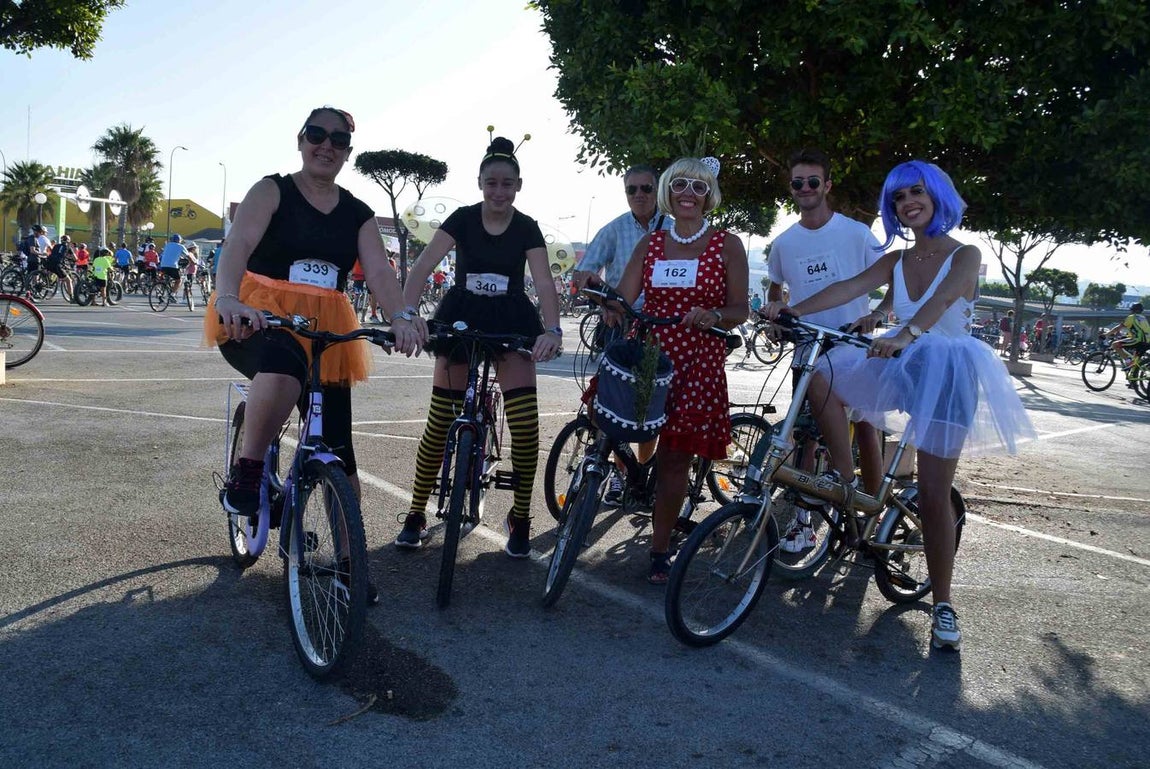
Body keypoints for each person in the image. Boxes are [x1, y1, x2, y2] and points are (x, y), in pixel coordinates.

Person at [763, 160, 1035, 651]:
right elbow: (851, 288)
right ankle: (848, 486)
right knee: (823, 377)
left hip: (946, 371)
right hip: (901, 360)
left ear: (936, 197)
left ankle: (945, 605)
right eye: (898, 198)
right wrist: (794, 309)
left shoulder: (966, 254)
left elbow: (936, 306)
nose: (907, 203)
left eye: (916, 193)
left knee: (933, 493)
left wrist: (904, 333)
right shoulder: (897, 259)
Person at [205, 106, 425, 600]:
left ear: (348, 151)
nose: (327, 145)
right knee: (283, 362)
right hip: (259, 316)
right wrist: (228, 299)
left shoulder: (358, 214)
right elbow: (236, 244)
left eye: (339, 139)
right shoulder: (272, 191)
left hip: (326, 328)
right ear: (301, 139)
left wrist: (402, 317)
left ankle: (351, 564)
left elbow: (383, 276)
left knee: (340, 449)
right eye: (317, 135)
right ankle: (250, 469)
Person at [394, 134, 562, 559]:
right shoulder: (463, 218)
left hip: (512, 321)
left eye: (507, 184)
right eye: (492, 183)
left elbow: (543, 282)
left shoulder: (526, 226)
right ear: (480, 183)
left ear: (518, 186)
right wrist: (408, 310)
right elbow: (423, 266)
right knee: (438, 425)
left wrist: (553, 330)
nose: (499, 191)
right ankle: (415, 513)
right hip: (460, 318)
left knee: (525, 428)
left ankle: (520, 518)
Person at [612, 156, 749, 583]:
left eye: (699, 187)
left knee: (674, 459)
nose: (688, 193)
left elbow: (741, 309)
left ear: (710, 196)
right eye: (681, 185)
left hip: (698, 362)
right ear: (668, 190)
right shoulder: (650, 243)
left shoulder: (728, 244)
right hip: (651, 355)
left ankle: (659, 548)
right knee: (616, 424)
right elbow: (624, 296)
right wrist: (606, 303)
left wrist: (713, 314)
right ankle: (625, 485)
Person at [764, 148, 887, 553]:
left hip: (853, 346)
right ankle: (804, 523)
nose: (804, 189)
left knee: (867, 428)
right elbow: (775, 287)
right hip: (809, 344)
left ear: (827, 185)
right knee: (804, 434)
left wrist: (877, 315)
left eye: (812, 182)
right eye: (797, 183)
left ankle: (870, 512)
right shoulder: (783, 242)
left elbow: (895, 279)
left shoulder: (856, 233)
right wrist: (775, 314)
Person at [573, 164, 673, 505]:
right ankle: (616, 472)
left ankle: (640, 474)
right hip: (621, 326)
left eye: (646, 188)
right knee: (609, 404)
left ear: (657, 191)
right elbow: (583, 273)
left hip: (663, 330)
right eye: (633, 189)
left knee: (650, 407)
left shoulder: (674, 228)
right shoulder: (614, 230)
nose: (640, 195)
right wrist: (603, 301)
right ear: (625, 193)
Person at [1105, 302, 1150, 386]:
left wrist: (1106, 334)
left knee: (1115, 344)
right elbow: (1137, 331)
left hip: (1138, 340)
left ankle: (1128, 362)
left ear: (1132, 310)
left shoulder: (1131, 317)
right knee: (1136, 360)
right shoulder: (1143, 318)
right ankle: (1133, 381)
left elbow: (1118, 328)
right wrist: (1124, 337)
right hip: (1147, 342)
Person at [45, 234, 77, 300]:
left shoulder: (56, 245)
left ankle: (48, 282)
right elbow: (75, 258)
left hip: (49, 263)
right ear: (68, 241)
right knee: (68, 280)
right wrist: (72, 259)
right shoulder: (68, 247)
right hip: (57, 265)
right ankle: (72, 297)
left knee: (51, 271)